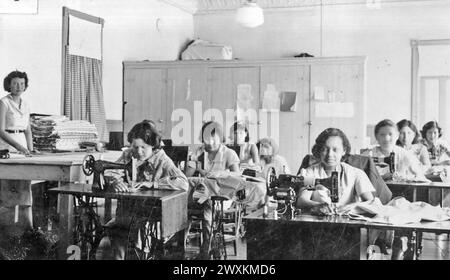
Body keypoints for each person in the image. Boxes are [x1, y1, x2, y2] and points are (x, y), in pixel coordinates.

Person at [105, 121, 188, 260]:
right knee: (115, 231)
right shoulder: (128, 155)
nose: (138, 152)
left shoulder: (162, 159)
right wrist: (115, 181)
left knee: (138, 235)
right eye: (135, 147)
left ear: (153, 145)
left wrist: (153, 184)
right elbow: (111, 171)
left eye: (143, 147)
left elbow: (183, 183)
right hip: (126, 212)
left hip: (152, 216)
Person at [185, 121, 240, 259]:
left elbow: (238, 176)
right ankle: (180, 247)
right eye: (206, 138)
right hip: (201, 194)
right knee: (180, 204)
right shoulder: (199, 153)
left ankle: (206, 250)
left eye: (212, 138)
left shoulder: (229, 153)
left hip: (223, 195)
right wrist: (192, 158)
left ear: (220, 138)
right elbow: (187, 176)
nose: (209, 141)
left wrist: (219, 175)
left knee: (209, 205)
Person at [297, 128, 375, 215]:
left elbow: (370, 202)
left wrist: (349, 207)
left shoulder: (356, 173)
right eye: (325, 149)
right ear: (319, 150)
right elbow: (302, 201)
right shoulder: (310, 173)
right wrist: (320, 206)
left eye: (335, 150)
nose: (330, 154)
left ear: (344, 151)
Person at [0, 70, 37, 231]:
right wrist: (19, 147)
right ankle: (6, 233)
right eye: (15, 83)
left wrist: (31, 149)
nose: (18, 86)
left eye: (22, 83)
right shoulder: (4, 103)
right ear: (9, 85)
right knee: (8, 192)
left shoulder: (26, 104)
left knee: (24, 190)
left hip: (23, 149)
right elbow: (1, 131)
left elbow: (28, 130)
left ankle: (27, 231)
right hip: (6, 147)